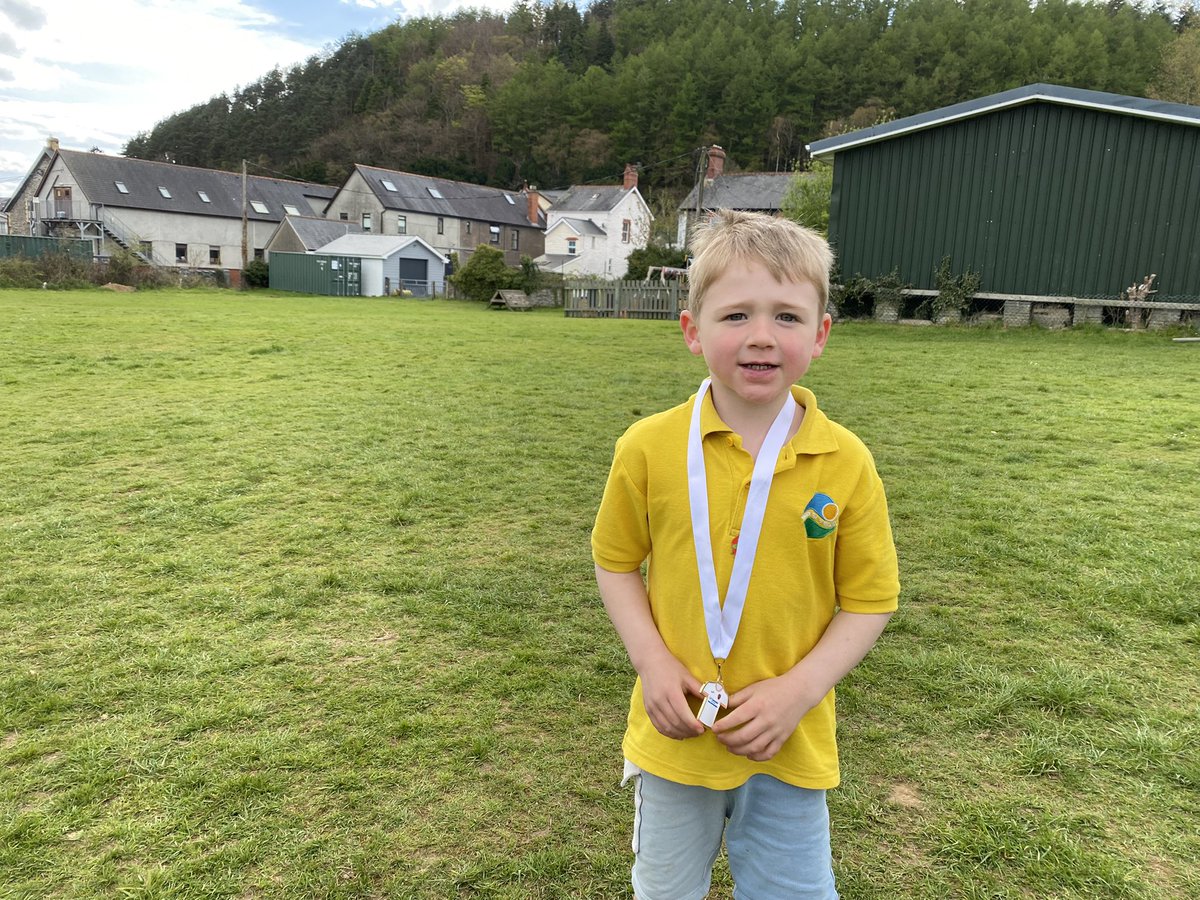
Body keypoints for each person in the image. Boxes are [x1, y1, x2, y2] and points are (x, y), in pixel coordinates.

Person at [591, 210, 900, 900]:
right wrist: (652, 660)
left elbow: (871, 599)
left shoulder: (846, 462)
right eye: (735, 316)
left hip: (789, 743)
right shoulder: (646, 447)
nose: (761, 337)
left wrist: (799, 690)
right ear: (692, 330)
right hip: (674, 739)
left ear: (820, 334)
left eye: (787, 317)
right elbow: (615, 561)